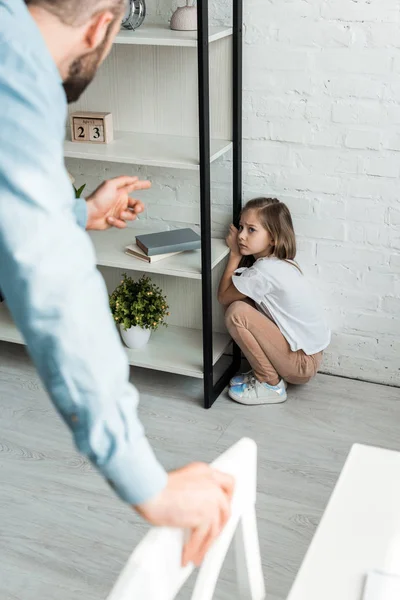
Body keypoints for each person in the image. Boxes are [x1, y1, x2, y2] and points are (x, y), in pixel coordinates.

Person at [0, 0, 234, 568]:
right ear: (104, 25)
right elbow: (54, 280)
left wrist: (77, 215)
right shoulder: (18, 74)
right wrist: (148, 484)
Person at [218, 198, 331, 406]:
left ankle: (269, 383)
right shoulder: (281, 263)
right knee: (244, 306)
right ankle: (269, 373)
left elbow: (223, 296)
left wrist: (234, 255)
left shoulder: (262, 272)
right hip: (308, 357)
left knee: (236, 312)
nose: (241, 235)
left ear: (272, 238)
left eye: (251, 230)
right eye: (241, 227)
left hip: (302, 364)